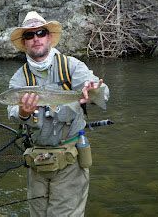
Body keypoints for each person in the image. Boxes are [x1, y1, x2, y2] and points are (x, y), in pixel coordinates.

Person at [7, 11, 109, 217]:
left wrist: (93, 91)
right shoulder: (19, 79)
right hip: (37, 162)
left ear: (49, 37)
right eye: (29, 35)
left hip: (70, 161)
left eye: (41, 32)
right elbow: (11, 112)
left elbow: (103, 93)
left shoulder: (72, 66)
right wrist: (23, 112)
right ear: (24, 42)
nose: (36, 38)